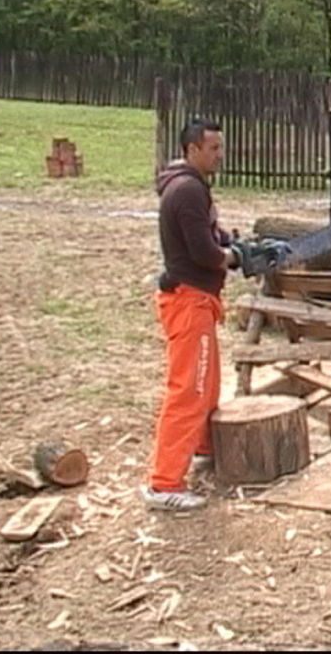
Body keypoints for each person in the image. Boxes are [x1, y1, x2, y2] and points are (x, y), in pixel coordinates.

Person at [143, 118, 254, 511]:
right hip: (189, 300)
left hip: (198, 299)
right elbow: (204, 254)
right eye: (213, 148)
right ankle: (164, 483)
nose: (220, 155)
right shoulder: (188, 190)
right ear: (193, 149)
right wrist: (234, 257)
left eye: (220, 147)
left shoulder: (191, 186)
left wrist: (232, 242)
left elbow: (210, 236)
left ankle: (205, 448)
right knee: (188, 391)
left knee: (206, 384)